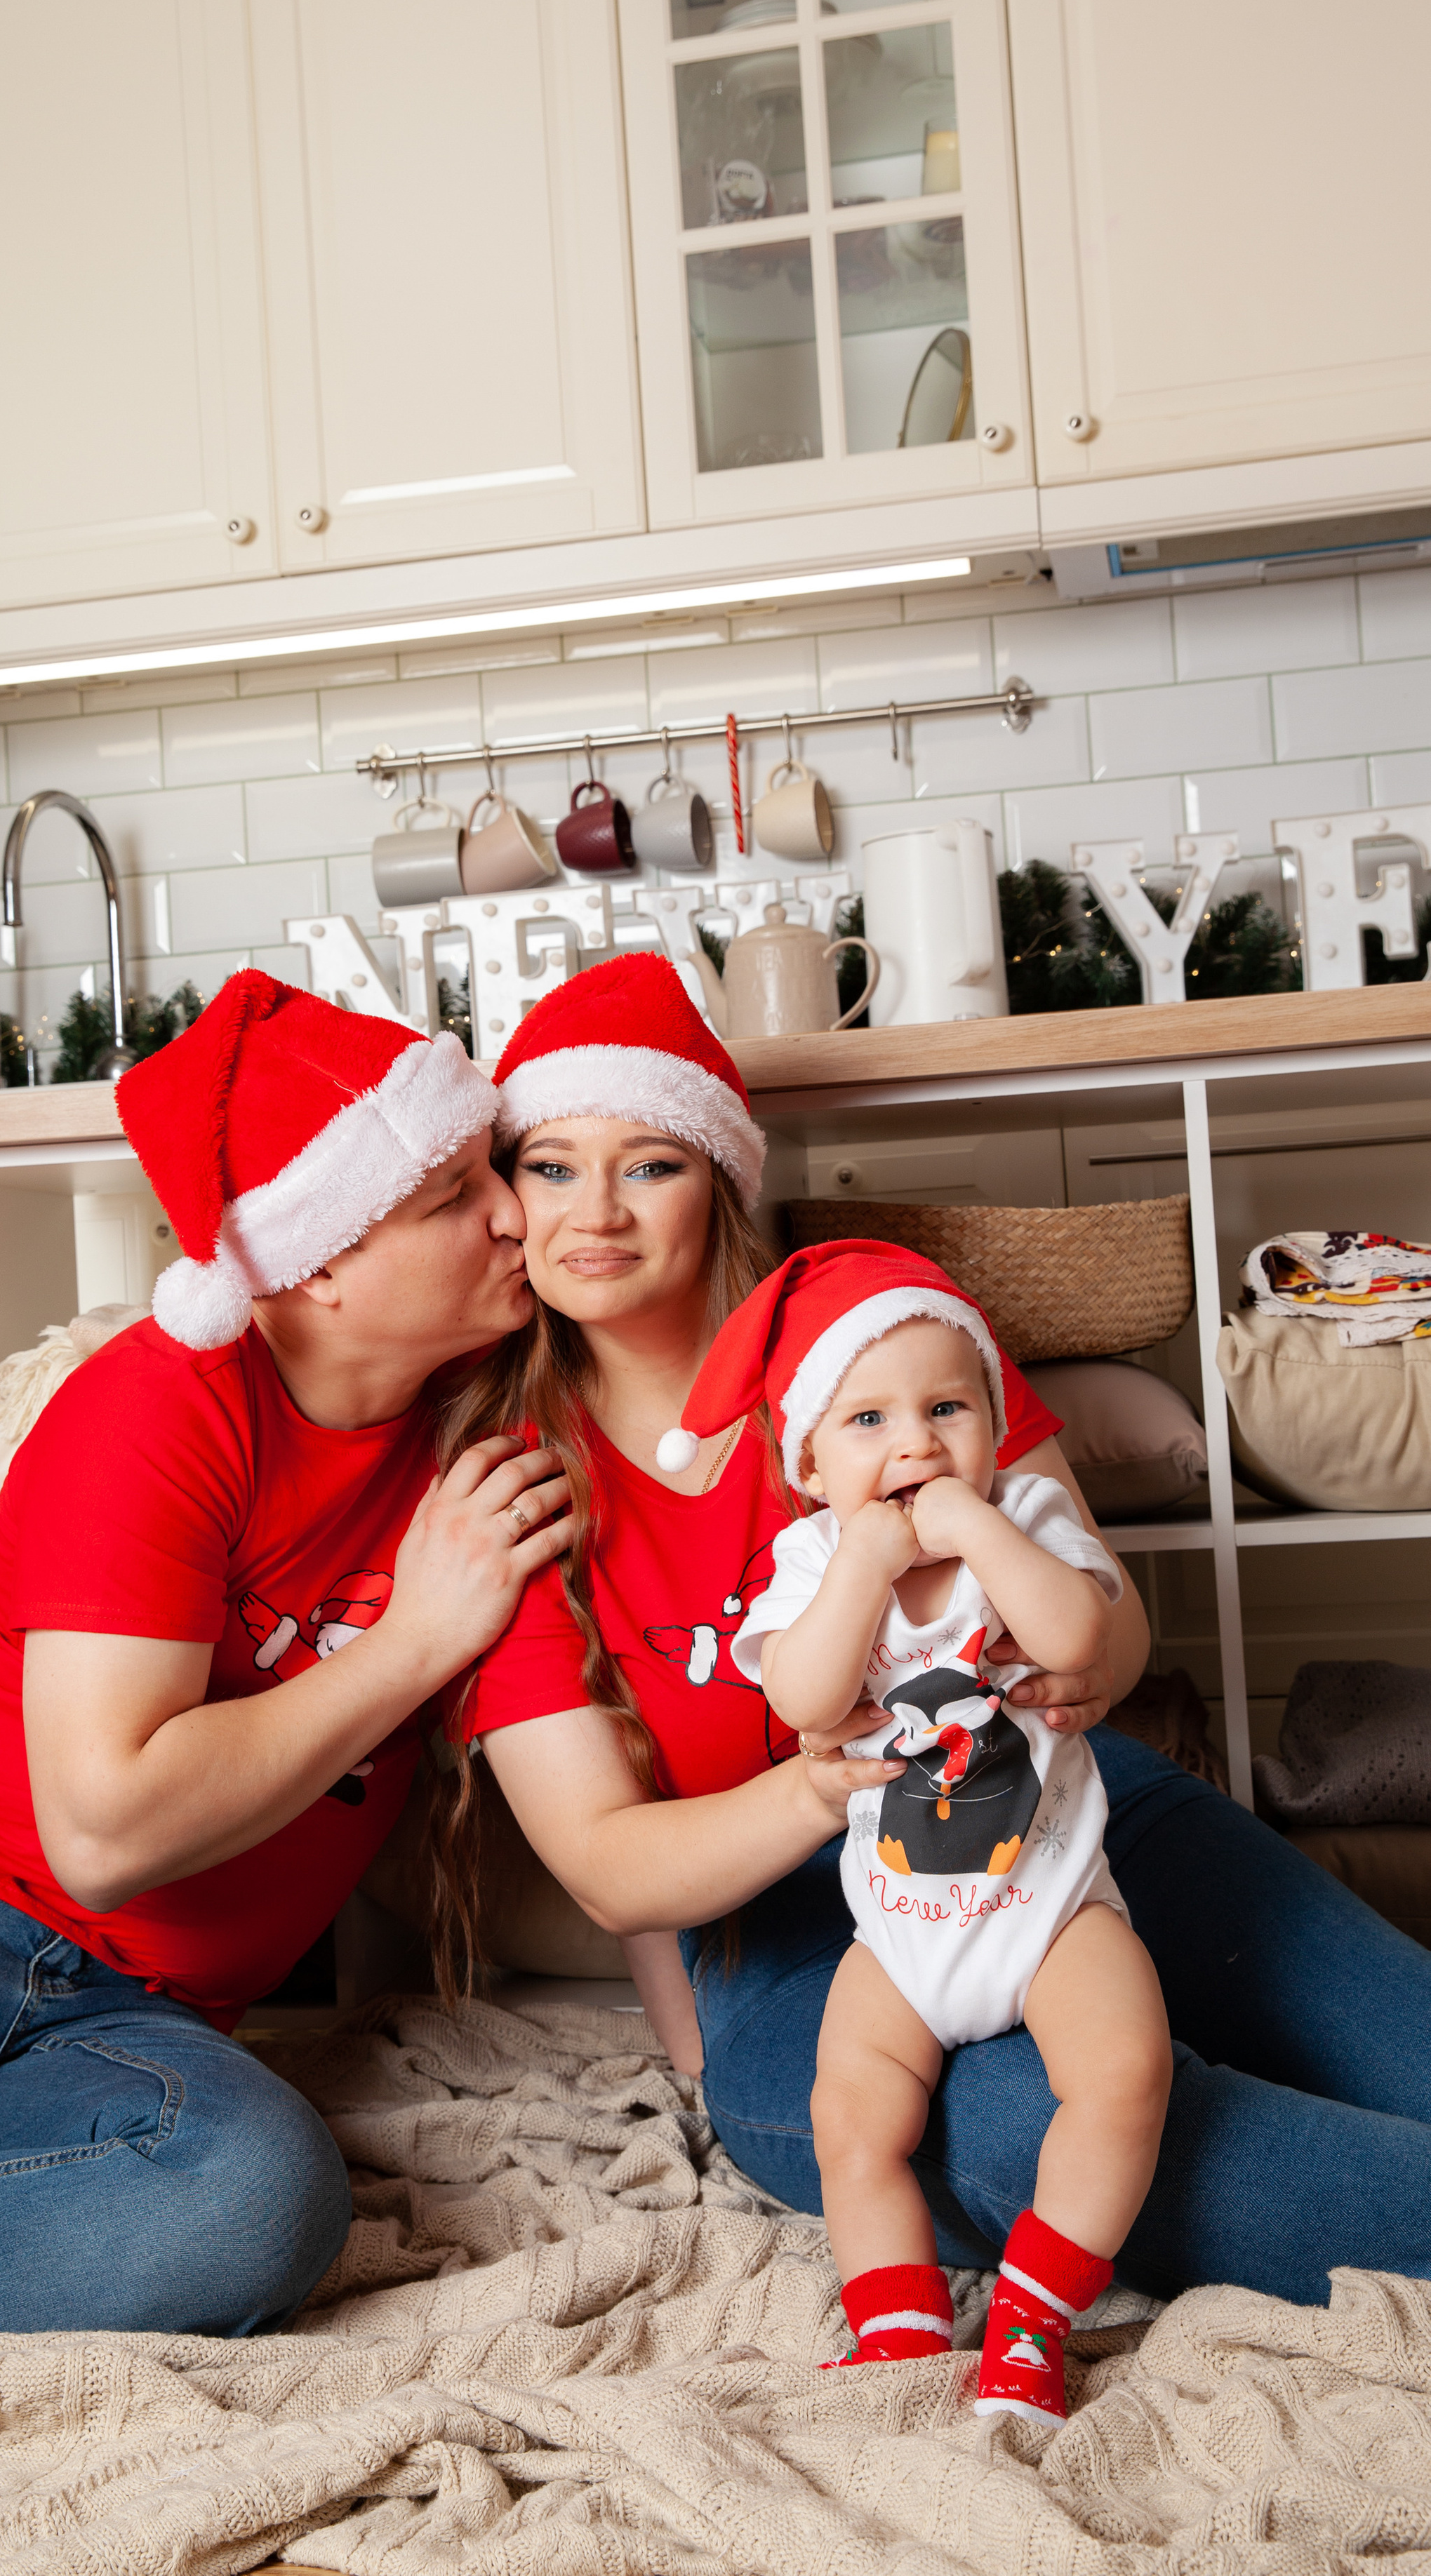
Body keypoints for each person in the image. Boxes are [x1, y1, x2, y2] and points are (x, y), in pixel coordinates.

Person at [444, 950, 1431, 2312]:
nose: (594, 1213)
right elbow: (612, 1873)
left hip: (1073, 1822)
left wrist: (1069, 1654)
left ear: (719, 1177)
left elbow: (1109, 1643)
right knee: (1070, 2127)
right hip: (797, 1945)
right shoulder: (506, 1485)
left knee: (1400, 2036)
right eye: (550, 1166)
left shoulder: (890, 1352)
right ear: (507, 1193)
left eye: (649, 1165)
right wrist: (812, 1787)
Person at [0, 973, 573, 2349]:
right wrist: (412, 1644)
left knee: (247, 2203)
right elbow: (105, 1828)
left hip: (129, 2019)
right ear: (313, 1259)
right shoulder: (160, 1400)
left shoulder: (490, 1444)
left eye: (498, 1168)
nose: (512, 1210)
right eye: (451, 1197)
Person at [672, 1243, 1169, 2418]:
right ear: (807, 1464)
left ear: (994, 1429)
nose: (915, 1444)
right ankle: (895, 2321)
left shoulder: (1028, 1514)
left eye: (948, 1409)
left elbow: (1073, 1638)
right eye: (868, 1421)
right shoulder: (807, 1560)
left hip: (1048, 1905)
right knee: (852, 2116)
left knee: (1126, 2074)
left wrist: (976, 1530)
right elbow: (799, 1702)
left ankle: (1035, 2319)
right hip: (898, 1928)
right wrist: (865, 1565)